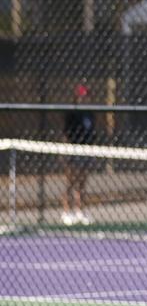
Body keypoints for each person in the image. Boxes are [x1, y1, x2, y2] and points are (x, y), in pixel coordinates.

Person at [61, 83, 96, 226]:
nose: (85, 99)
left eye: (87, 96)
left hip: (86, 151)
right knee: (70, 182)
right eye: (82, 96)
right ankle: (66, 211)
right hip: (73, 150)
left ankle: (80, 211)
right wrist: (66, 151)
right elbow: (66, 133)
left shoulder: (90, 114)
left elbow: (92, 133)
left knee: (82, 183)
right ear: (77, 98)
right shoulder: (71, 113)